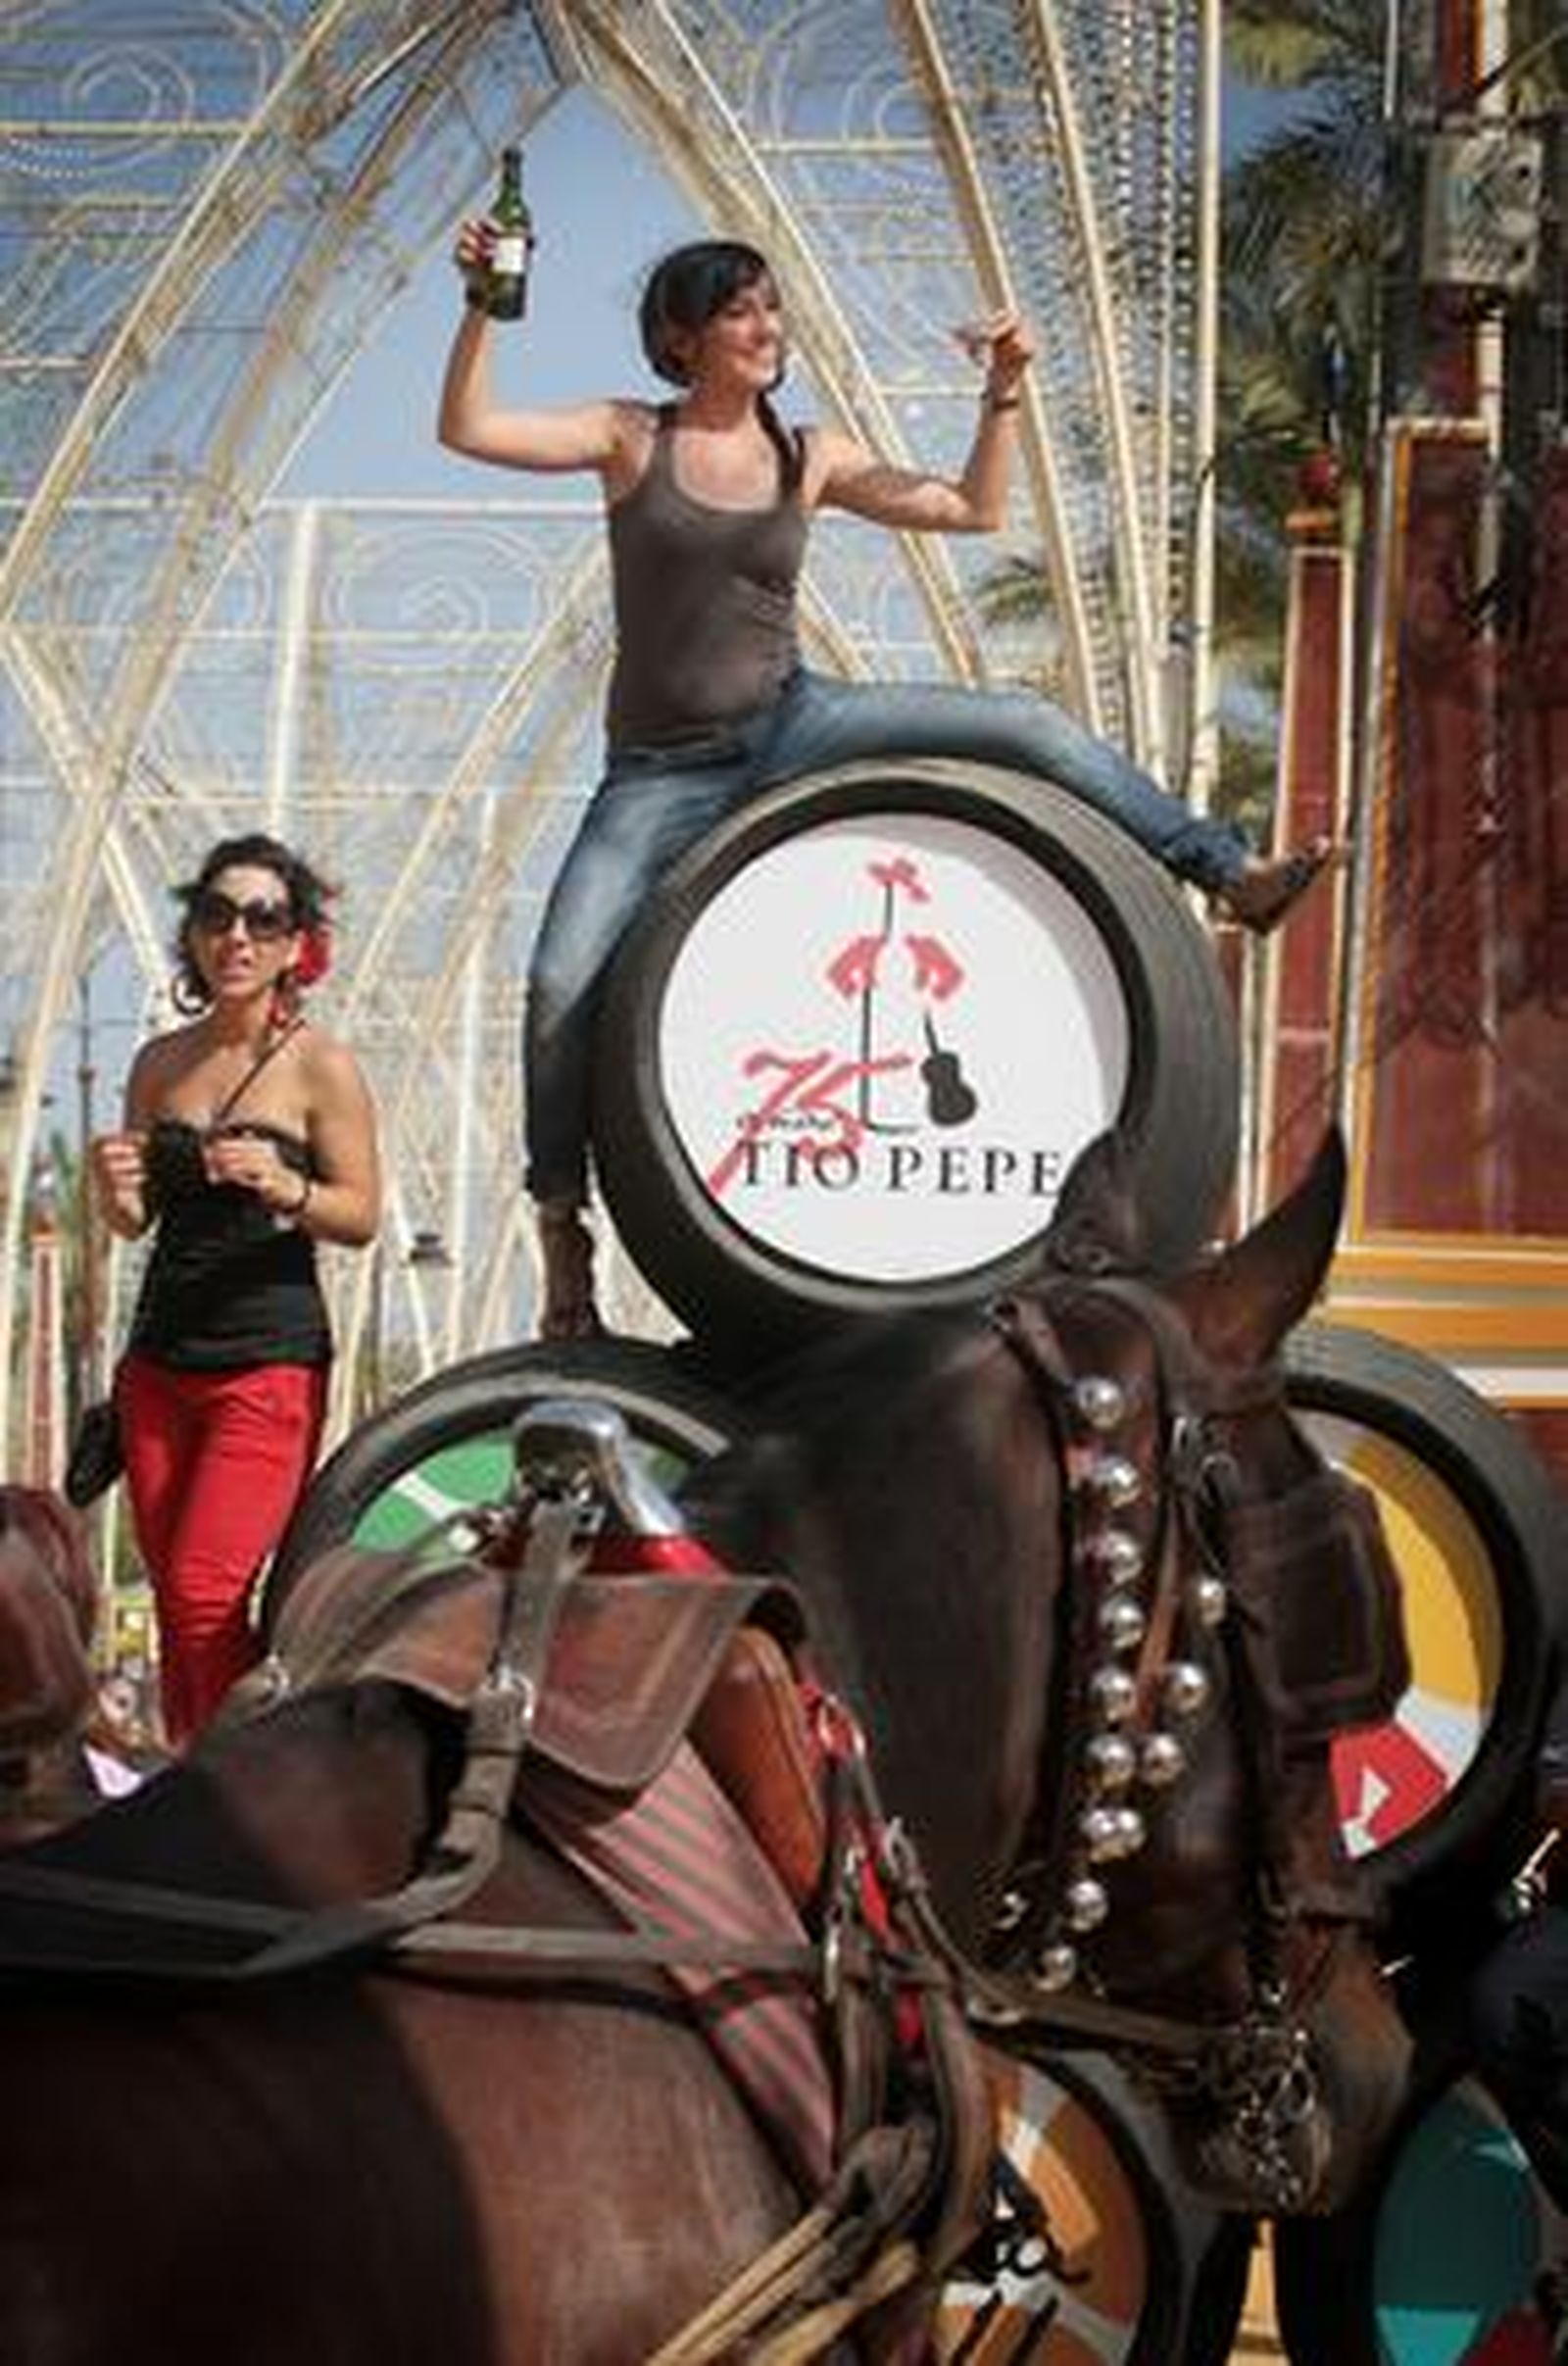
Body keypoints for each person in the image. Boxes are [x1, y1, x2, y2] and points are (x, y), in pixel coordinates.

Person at [438, 230, 1334, 1339]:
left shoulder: (807, 453)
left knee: (1028, 725)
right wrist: (483, 303)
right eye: (740, 311)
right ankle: (562, 1227)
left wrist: (1003, 393)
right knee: (558, 981)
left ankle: (1227, 870)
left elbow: (970, 510)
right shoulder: (632, 436)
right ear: (681, 337)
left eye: (772, 306)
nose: (768, 327)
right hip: (660, 772)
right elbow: (468, 428)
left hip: (791, 723)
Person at [89, 834, 381, 1746]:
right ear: (192, 935)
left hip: (266, 1366)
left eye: (263, 919)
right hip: (158, 1366)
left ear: (297, 945)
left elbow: (362, 1213)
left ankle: (237, 1786)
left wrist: (285, 1186)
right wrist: (112, 1186)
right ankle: (201, 1772)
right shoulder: (159, 1065)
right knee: (177, 1603)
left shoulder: (320, 1066)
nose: (237, 937)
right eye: (216, 916)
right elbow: (135, 1220)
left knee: (207, 1591)